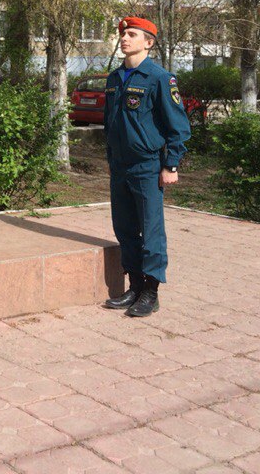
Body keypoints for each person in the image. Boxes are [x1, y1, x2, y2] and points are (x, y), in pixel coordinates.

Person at [103, 16, 190, 317]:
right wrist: (110, 157)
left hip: (147, 166)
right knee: (125, 228)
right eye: (123, 34)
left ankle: (151, 292)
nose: (125, 38)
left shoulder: (159, 78)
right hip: (120, 166)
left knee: (151, 231)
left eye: (132, 34)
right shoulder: (114, 78)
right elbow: (109, 124)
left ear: (148, 42)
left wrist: (171, 164)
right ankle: (135, 285)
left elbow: (178, 127)